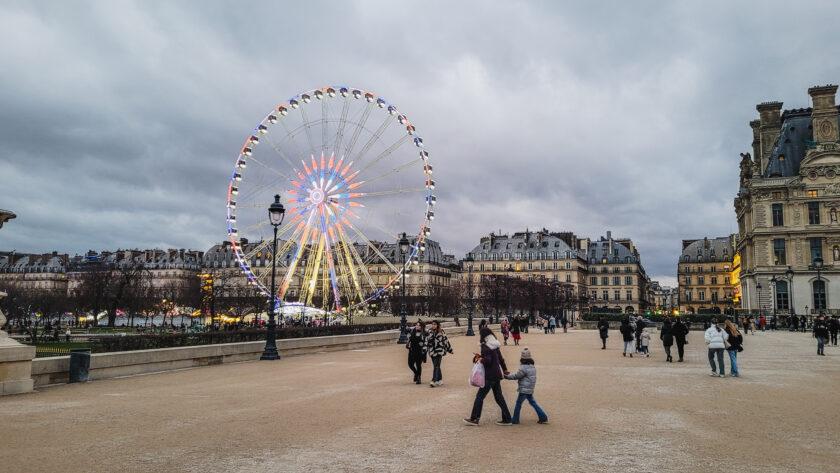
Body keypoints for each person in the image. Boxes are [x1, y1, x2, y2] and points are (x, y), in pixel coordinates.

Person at [464, 327, 512, 426]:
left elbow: (487, 360)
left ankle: (474, 418)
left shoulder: (485, 346)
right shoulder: (495, 345)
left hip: (489, 376)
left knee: (479, 397)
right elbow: (501, 359)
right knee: (499, 397)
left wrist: (480, 358)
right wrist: (505, 370)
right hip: (497, 374)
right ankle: (507, 418)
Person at [504, 347, 548, 424]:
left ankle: (515, 419)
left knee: (518, 403)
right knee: (533, 403)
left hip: (524, 389)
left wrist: (506, 376)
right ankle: (543, 417)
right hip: (530, 388)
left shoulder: (523, 367)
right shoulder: (532, 366)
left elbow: (517, 376)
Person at [426, 320, 453, 387]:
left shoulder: (441, 332)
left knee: (436, 366)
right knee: (436, 366)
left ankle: (434, 381)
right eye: (432, 324)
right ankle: (440, 379)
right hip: (432, 351)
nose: (433, 325)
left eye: (435, 324)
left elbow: (446, 341)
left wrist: (450, 349)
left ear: (437, 325)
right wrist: (425, 349)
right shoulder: (429, 331)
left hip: (439, 351)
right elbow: (426, 341)